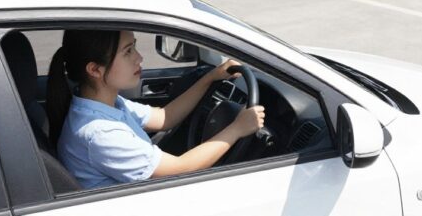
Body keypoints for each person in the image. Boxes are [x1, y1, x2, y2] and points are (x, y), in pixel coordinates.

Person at [47, 29, 265, 190]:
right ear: (95, 69)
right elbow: (182, 168)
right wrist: (237, 128)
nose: (139, 58)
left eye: (134, 46)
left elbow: (164, 117)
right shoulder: (101, 133)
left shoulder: (105, 104)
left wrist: (211, 77)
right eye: (128, 51)